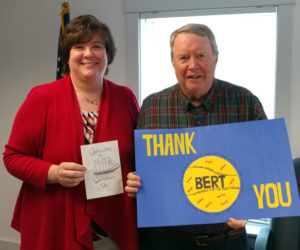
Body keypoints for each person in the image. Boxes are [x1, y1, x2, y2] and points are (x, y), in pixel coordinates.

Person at [125, 23, 267, 249]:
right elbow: (140, 171)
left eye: (201, 55)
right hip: (167, 242)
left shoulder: (245, 102)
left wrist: (253, 208)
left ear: (216, 59)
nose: (193, 65)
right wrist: (134, 181)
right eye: (183, 57)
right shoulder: (152, 107)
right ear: (173, 62)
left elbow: (266, 166)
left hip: (228, 242)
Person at [3, 15, 139, 250]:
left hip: (113, 225)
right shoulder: (41, 97)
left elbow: (139, 155)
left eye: (97, 46)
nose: (89, 53)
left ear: (108, 54)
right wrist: (52, 173)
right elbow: (12, 157)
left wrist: (137, 178)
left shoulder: (125, 98)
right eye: (79, 46)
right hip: (56, 221)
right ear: (67, 56)